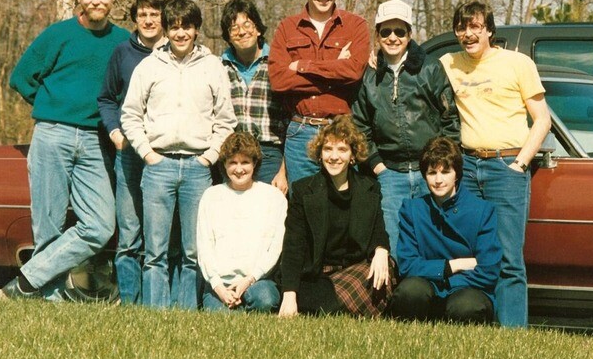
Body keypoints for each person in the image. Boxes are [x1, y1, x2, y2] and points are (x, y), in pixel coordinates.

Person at [4, 0, 129, 300]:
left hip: (95, 140)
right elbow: (21, 78)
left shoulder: (123, 42)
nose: (96, 1)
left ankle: (27, 282)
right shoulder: (58, 34)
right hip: (53, 134)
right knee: (48, 225)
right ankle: (50, 295)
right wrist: (50, 103)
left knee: (101, 225)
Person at [440, 1, 551, 328]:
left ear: (489, 29)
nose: (468, 34)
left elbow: (542, 120)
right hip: (469, 168)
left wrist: (520, 163)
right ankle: (473, 325)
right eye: (461, 27)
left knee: (508, 259)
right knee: (469, 251)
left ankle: (512, 335)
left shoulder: (518, 63)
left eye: (475, 27)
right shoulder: (450, 63)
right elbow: (412, 61)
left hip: (506, 168)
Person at [121, 0, 236, 309]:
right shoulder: (149, 66)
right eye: (174, 27)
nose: (181, 33)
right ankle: (155, 314)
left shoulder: (212, 67)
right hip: (158, 165)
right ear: (166, 30)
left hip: (198, 168)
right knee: (154, 251)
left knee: (192, 250)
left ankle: (185, 313)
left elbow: (226, 121)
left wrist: (208, 157)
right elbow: (130, 114)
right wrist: (147, 153)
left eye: (187, 26)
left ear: (197, 30)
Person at [351, 0, 459, 252]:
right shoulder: (368, 76)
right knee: (392, 244)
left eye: (399, 31)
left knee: (434, 242)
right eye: (386, 31)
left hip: (430, 172)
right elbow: (360, 127)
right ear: (377, 35)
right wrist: (378, 167)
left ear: (409, 34)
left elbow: (451, 120)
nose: (392, 38)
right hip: (390, 173)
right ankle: (397, 292)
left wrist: (440, 165)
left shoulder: (430, 69)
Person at [268, 0, 371, 186]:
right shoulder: (287, 28)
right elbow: (279, 80)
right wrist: (336, 69)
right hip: (300, 132)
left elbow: (354, 72)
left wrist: (302, 66)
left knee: (341, 207)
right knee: (304, 206)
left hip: (341, 130)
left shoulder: (356, 26)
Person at [277, 116, 392, 318]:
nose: (334, 156)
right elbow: (294, 245)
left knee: (384, 272)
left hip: (354, 271)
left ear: (352, 155)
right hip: (316, 274)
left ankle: (333, 306)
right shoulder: (304, 190)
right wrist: (289, 295)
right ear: (320, 154)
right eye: (328, 149)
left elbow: (378, 229)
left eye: (342, 149)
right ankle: (343, 307)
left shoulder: (369, 187)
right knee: (312, 298)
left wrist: (381, 250)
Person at [97, 0, 167, 305]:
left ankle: (160, 301)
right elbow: (107, 98)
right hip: (128, 153)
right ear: (135, 19)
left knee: (163, 235)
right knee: (129, 234)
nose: (149, 20)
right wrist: (114, 131)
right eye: (143, 15)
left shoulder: (175, 51)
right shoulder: (123, 53)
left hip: (165, 153)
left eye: (154, 14)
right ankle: (130, 301)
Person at [389, 137, 500, 324]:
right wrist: (451, 267)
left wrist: (448, 282)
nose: (438, 180)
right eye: (432, 173)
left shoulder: (482, 210)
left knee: (465, 306)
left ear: (457, 174)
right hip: (428, 286)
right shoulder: (413, 209)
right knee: (409, 292)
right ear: (424, 176)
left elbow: (488, 270)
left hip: (468, 288)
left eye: (445, 172)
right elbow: (407, 265)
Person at [197, 132, 286, 312]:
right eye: (233, 163)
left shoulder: (273, 197)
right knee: (220, 321)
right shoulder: (211, 196)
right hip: (220, 284)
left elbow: (275, 248)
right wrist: (219, 288)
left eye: (245, 162)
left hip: (257, 281)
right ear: (224, 165)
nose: (239, 169)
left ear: (255, 163)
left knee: (265, 299)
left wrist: (249, 279)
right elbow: (204, 245)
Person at [219, 0, 289, 193]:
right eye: (234, 28)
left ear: (258, 29)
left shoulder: (278, 63)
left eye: (247, 24)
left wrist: (284, 171)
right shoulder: (218, 67)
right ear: (228, 36)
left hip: (269, 154)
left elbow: (291, 120)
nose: (242, 32)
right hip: (232, 155)